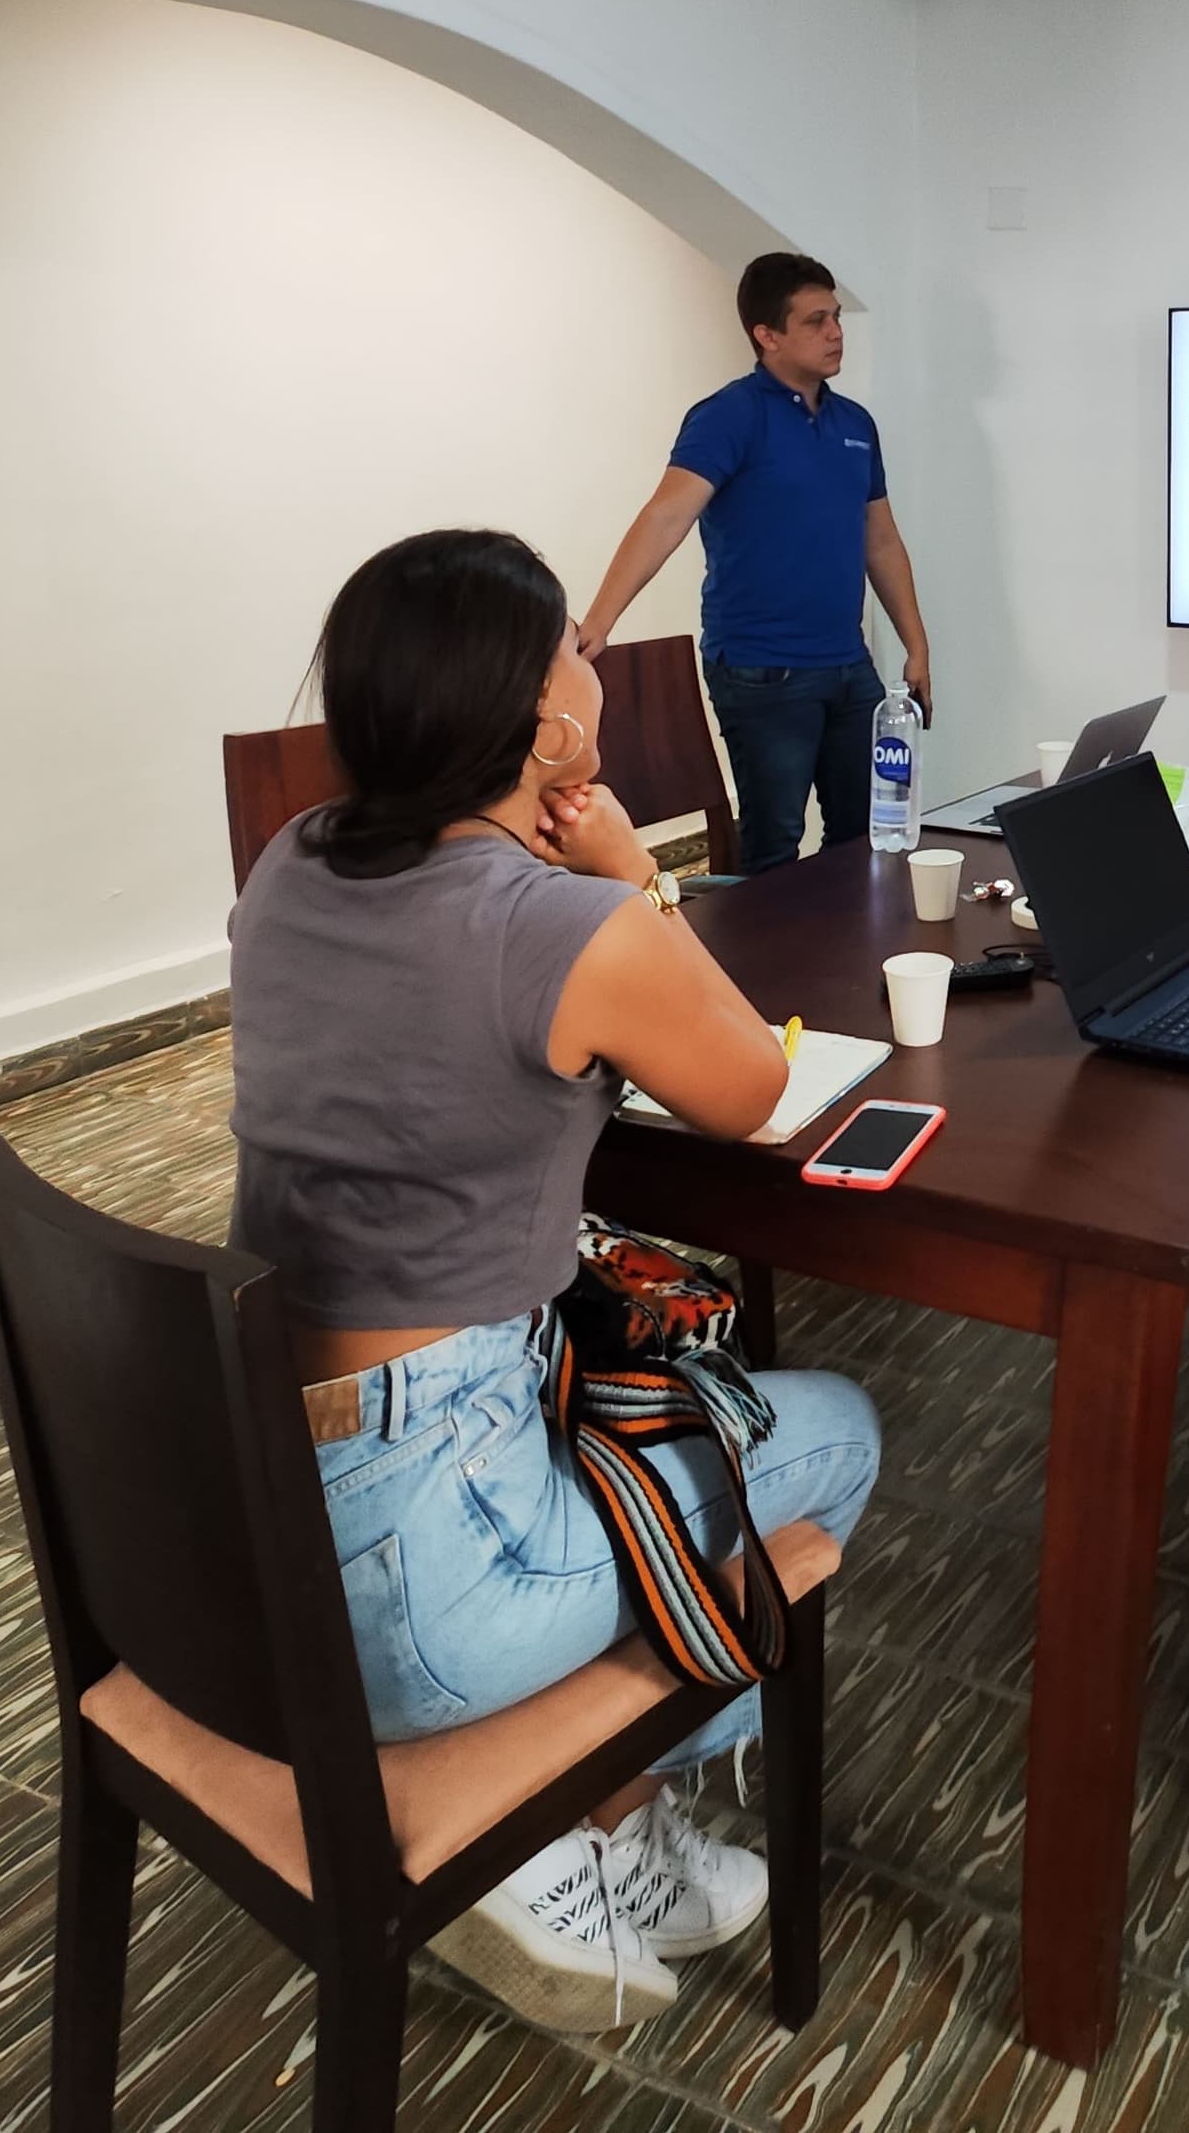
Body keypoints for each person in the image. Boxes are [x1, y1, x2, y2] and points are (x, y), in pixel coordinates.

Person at [226, 527, 881, 2037]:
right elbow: (740, 1087)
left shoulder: (292, 860)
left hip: (252, 1521)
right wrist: (626, 870)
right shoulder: (562, 923)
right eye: (573, 649)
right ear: (550, 728)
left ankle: (583, 1808)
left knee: (661, 1415)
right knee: (835, 1426)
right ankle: (582, 1820)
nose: (593, 657)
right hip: (433, 1572)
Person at [576, 252, 936, 873]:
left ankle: (845, 960)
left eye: (837, 317)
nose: (835, 332)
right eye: (815, 321)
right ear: (766, 336)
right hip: (761, 670)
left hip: (849, 666)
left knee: (868, 831)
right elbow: (666, 516)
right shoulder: (729, 416)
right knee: (773, 841)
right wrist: (599, 623)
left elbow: (881, 540)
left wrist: (917, 644)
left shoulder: (855, 424)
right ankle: (760, 971)